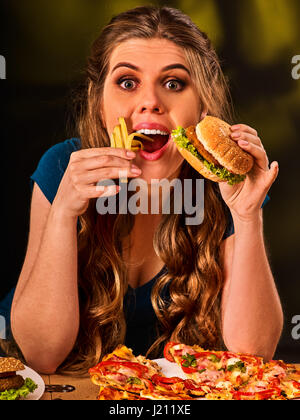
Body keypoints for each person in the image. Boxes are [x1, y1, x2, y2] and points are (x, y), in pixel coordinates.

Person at [8, 6, 282, 375]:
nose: (151, 101)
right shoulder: (63, 168)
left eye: (173, 84)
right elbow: (41, 356)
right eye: (127, 82)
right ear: (99, 103)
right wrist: (63, 214)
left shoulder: (228, 185)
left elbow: (253, 354)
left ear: (202, 104)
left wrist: (247, 217)